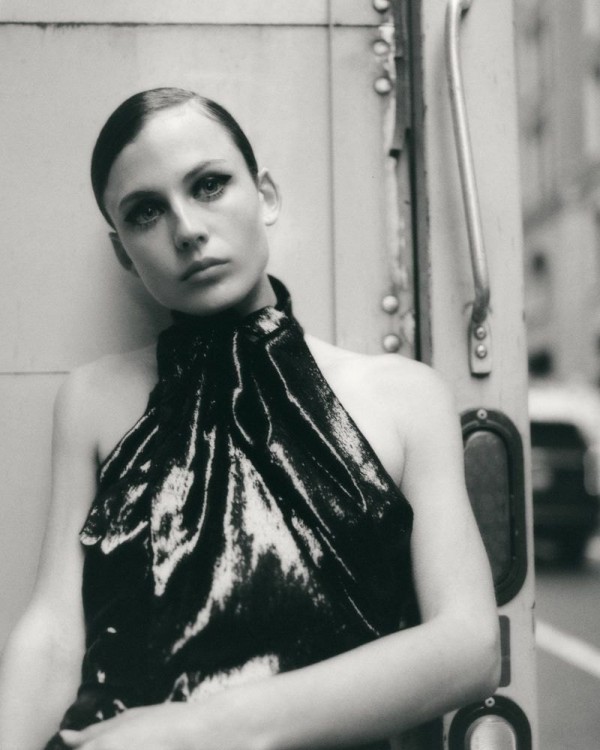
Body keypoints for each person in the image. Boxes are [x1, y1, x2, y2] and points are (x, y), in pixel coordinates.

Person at [0, 87, 500, 750]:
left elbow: (470, 647)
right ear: (124, 253)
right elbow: (53, 635)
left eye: (208, 185)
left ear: (264, 195)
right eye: (146, 212)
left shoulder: (404, 396)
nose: (186, 229)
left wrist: (197, 730)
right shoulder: (92, 398)